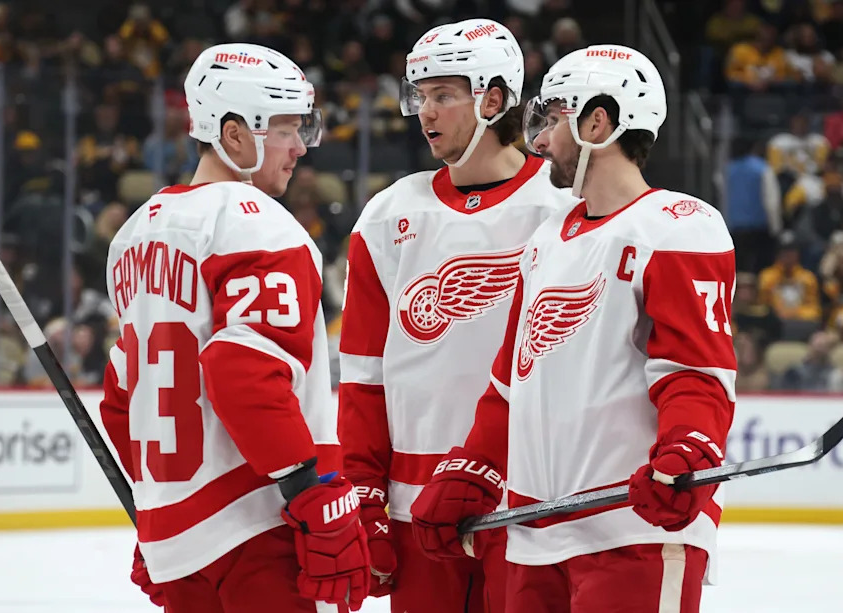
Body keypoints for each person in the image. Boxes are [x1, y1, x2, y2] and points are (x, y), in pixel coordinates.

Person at [410, 44, 737, 613]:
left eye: (552, 119)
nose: (538, 141)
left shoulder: (679, 227)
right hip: (535, 534)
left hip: (633, 533)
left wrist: (688, 450)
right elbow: (513, 380)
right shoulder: (547, 238)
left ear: (597, 122)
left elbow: (694, 372)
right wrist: (471, 470)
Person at [98, 43, 370, 613]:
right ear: (235, 134)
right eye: (285, 130)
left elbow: (125, 398)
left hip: (181, 545)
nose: (300, 148)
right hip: (258, 526)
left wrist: (158, 513)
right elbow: (243, 371)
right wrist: (314, 493)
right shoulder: (261, 224)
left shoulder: (132, 236)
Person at [337, 18, 576, 613]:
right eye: (419, 96)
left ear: (494, 100)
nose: (425, 111)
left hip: (526, 501)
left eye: (443, 95)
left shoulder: (564, 207)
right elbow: (364, 379)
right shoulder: (386, 215)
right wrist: (365, 497)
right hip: (414, 506)